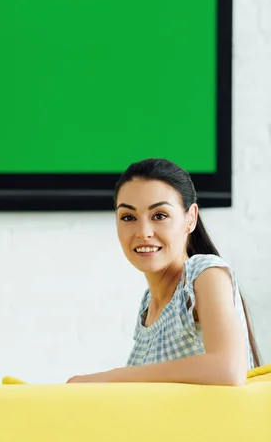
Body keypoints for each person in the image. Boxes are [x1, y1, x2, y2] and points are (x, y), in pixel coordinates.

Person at [67, 158, 261, 386]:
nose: (143, 232)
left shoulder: (204, 273)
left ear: (190, 219)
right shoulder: (148, 305)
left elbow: (228, 369)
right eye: (128, 217)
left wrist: (110, 378)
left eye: (159, 215)